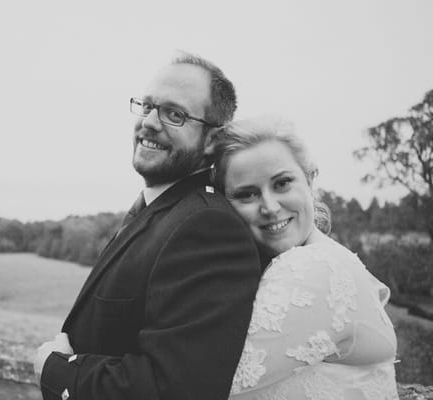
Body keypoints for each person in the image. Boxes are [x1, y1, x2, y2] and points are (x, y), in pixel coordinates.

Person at [33, 52, 263, 400]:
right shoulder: (160, 210)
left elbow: (175, 388)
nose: (150, 122)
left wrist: (56, 370)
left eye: (174, 114)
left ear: (214, 139)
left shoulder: (208, 227)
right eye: (147, 106)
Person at [212, 118, 399, 400]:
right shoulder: (298, 260)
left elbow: (202, 379)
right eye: (247, 194)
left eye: (282, 183)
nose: (270, 207)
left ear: (309, 180)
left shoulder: (315, 268)